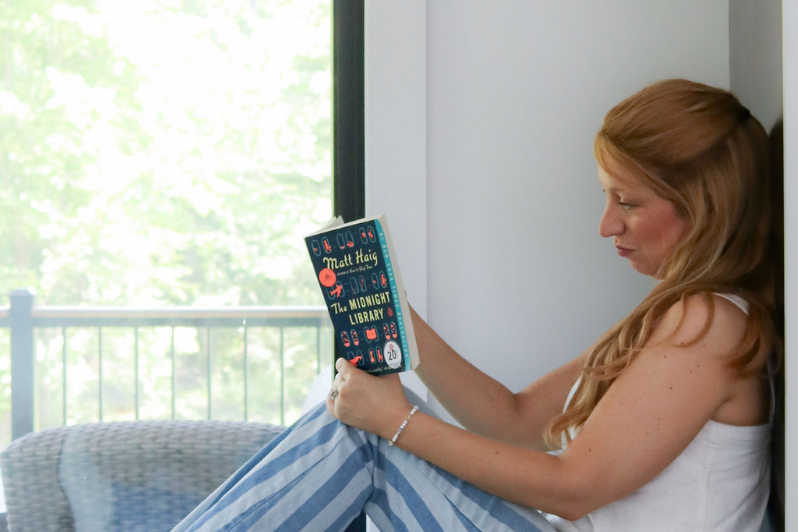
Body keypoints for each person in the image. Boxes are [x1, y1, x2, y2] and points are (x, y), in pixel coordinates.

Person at [171, 79, 778, 532]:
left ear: (702, 204)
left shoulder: (709, 324)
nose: (605, 225)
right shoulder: (674, 319)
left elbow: (574, 488)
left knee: (364, 436)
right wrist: (400, 317)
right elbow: (514, 420)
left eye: (629, 201)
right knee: (361, 425)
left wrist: (394, 422)